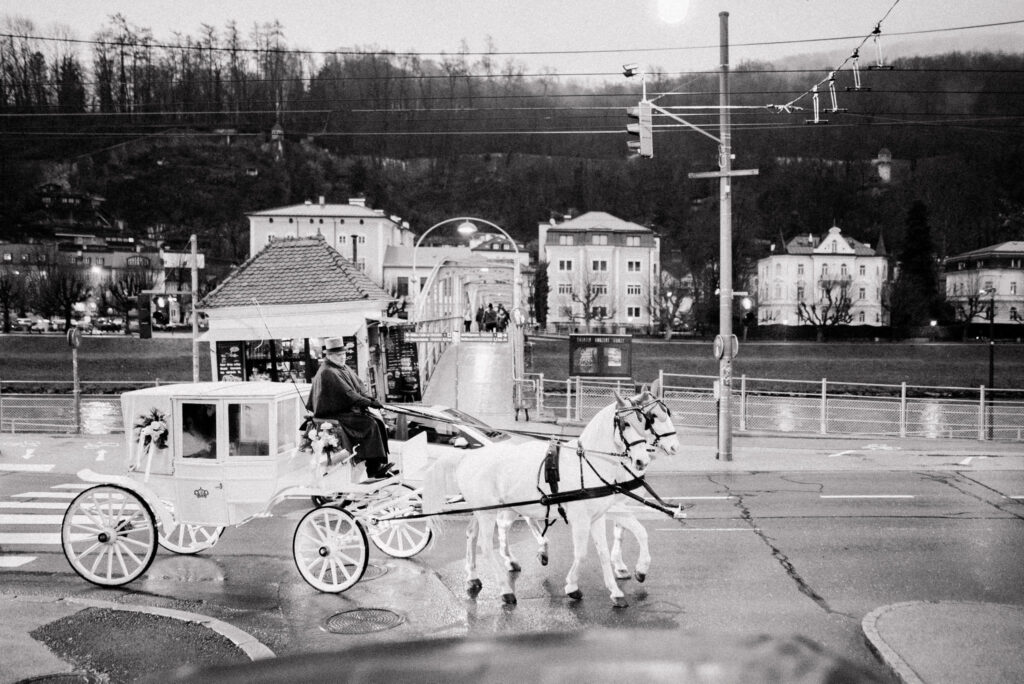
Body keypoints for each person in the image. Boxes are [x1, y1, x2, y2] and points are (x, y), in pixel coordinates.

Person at [306, 337, 396, 479]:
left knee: (377, 420)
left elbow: (359, 386)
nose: (343, 357)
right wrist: (368, 403)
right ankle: (373, 468)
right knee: (370, 424)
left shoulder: (341, 367)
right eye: (338, 355)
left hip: (344, 409)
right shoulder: (328, 371)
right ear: (329, 356)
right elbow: (348, 394)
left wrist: (371, 399)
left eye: (344, 354)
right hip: (332, 413)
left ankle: (378, 464)